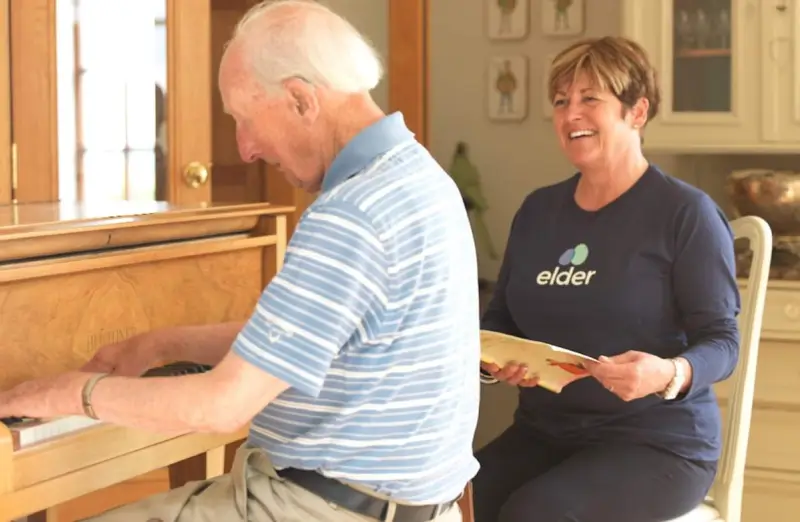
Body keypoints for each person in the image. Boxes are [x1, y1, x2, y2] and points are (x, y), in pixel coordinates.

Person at [0, 2, 479, 521]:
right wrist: (160, 344)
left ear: (301, 99)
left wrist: (72, 392)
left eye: (245, 120)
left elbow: (221, 405)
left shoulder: (352, 215)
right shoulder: (417, 178)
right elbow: (305, 345)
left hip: (318, 509)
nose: (244, 149)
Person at [474, 36, 740, 522]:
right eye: (561, 101)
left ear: (637, 112)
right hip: (545, 433)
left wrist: (666, 373)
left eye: (589, 99)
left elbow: (722, 342)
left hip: (656, 444)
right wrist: (496, 363)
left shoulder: (686, 214)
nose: (570, 114)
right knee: (449, 502)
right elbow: (500, 321)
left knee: (536, 515)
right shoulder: (537, 211)